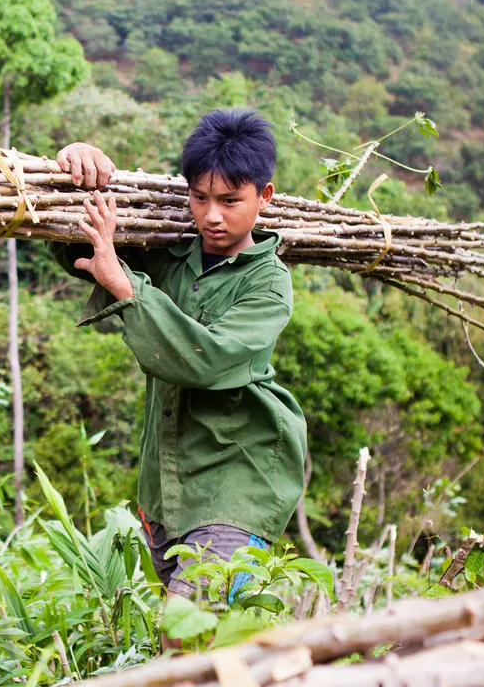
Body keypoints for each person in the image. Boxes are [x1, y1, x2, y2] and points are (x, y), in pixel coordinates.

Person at [51, 109, 307, 608]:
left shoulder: (268, 283)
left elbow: (205, 359)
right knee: (205, 638)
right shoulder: (169, 254)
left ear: (265, 197)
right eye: (200, 198)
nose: (212, 216)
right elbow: (84, 251)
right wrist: (78, 168)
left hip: (238, 478)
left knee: (185, 622)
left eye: (231, 201)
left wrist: (124, 285)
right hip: (168, 487)